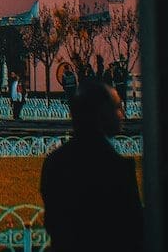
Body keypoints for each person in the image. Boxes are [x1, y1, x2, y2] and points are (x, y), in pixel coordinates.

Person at [39, 78, 142, 251]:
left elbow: (54, 223)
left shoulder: (55, 161)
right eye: (117, 107)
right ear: (101, 113)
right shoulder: (114, 167)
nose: (122, 114)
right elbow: (132, 230)